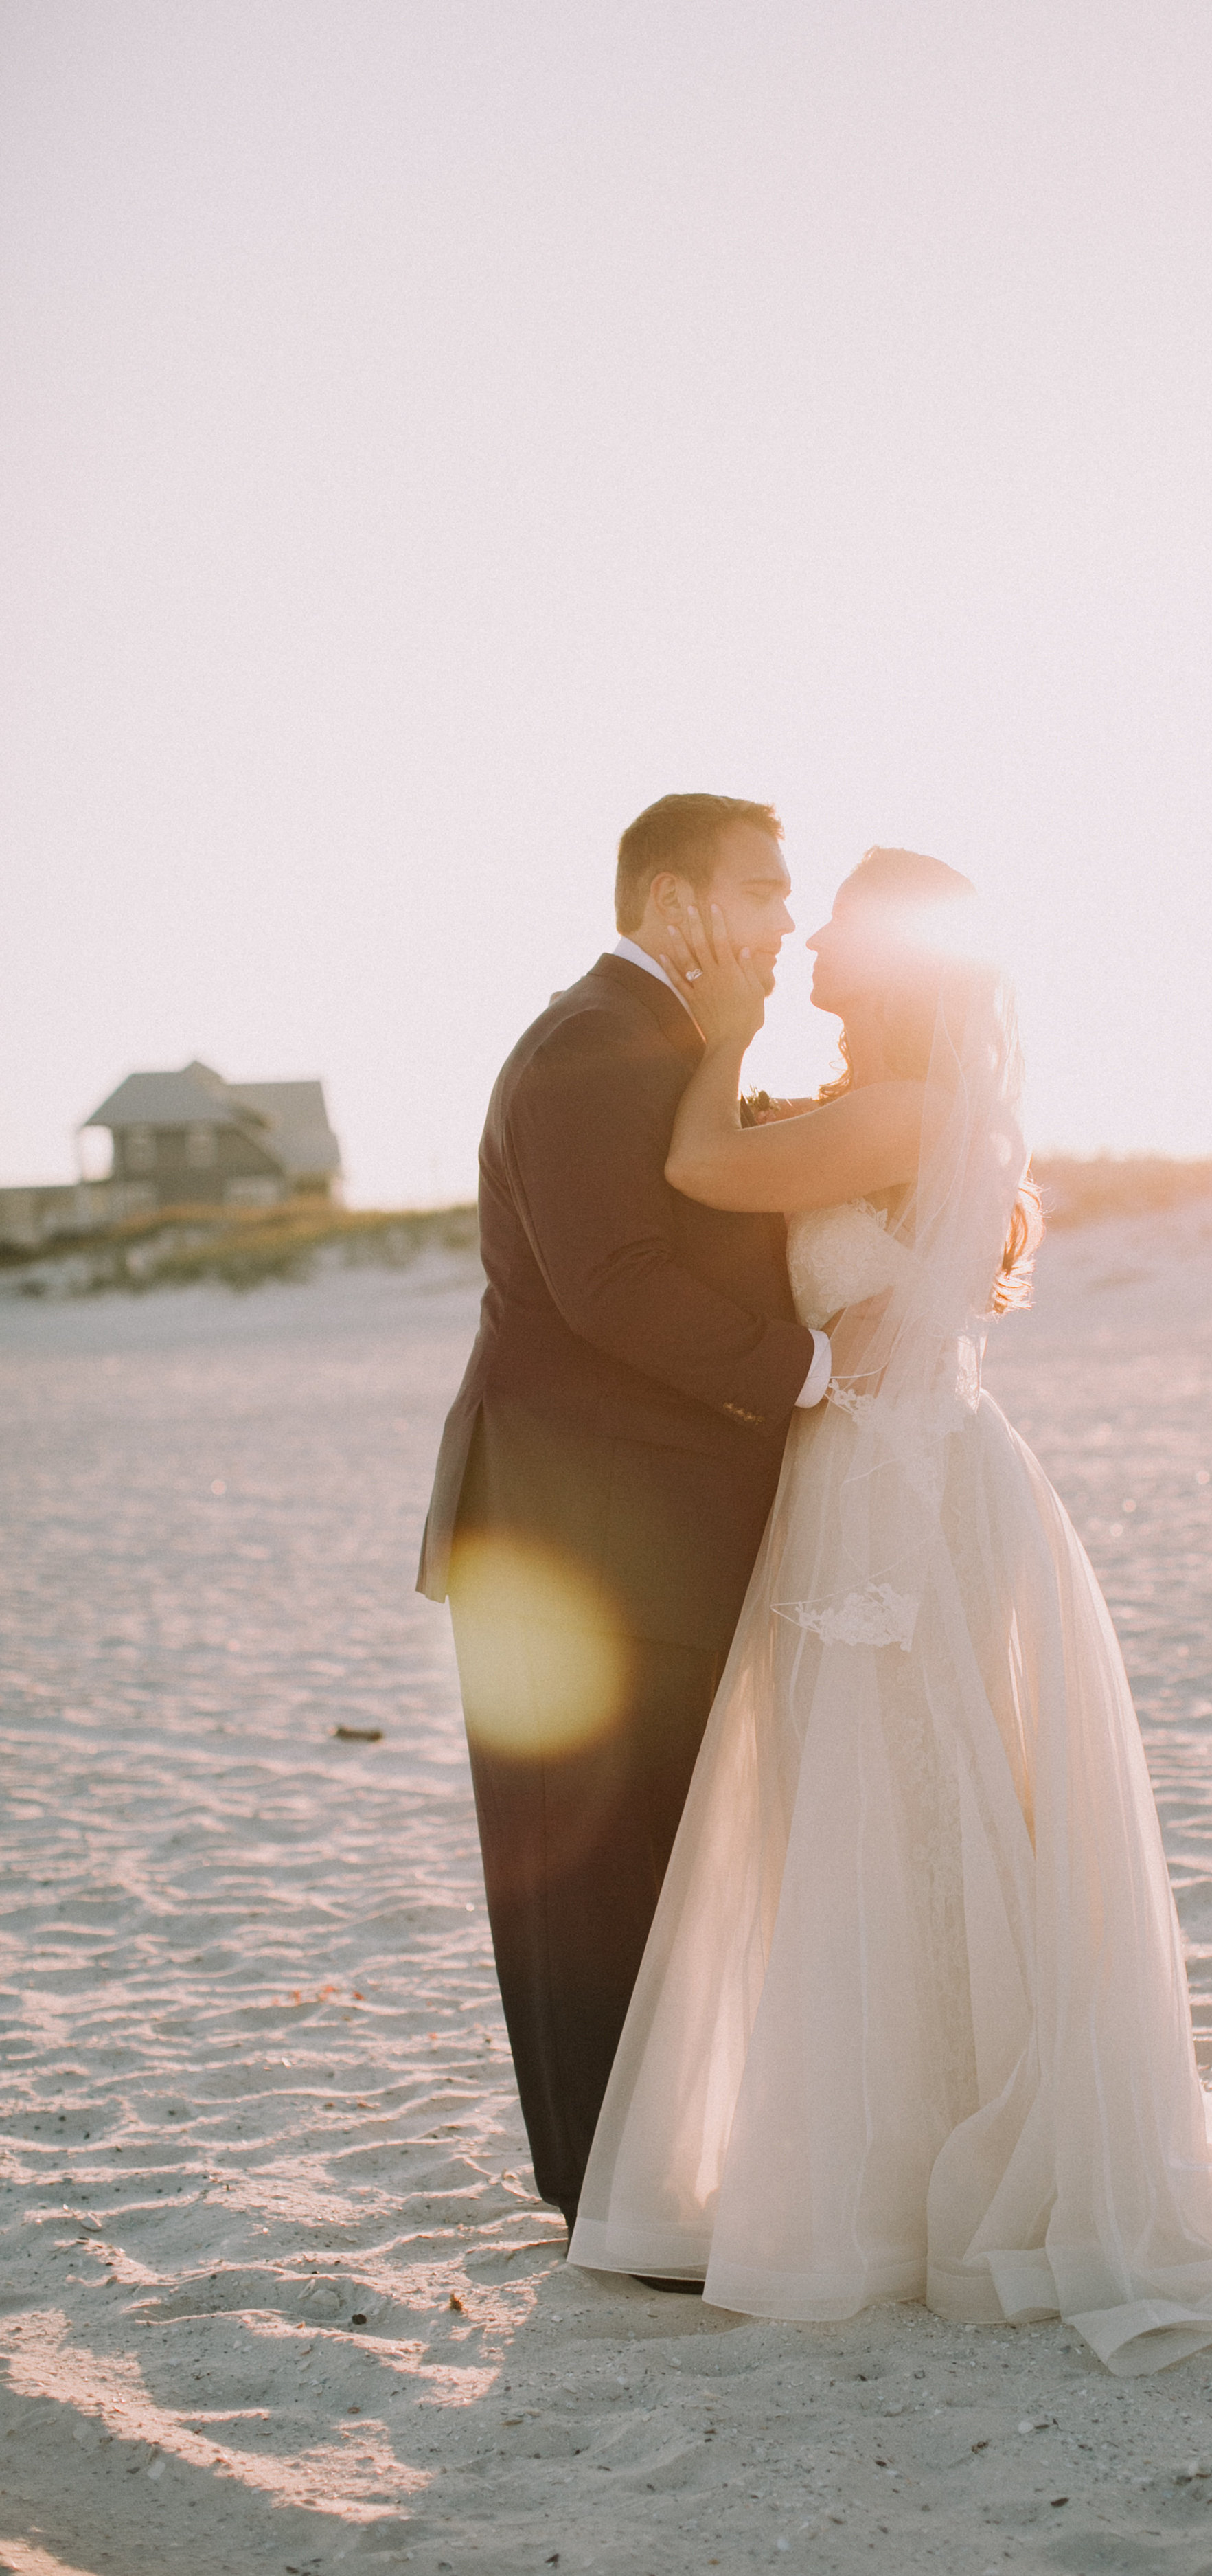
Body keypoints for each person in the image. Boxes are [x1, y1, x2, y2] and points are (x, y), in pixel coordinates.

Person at [568, 846, 1212, 2373]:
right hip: (896, 1472)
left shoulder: (905, 1114)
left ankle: (905, 2173)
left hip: (895, 1485)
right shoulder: (897, 1110)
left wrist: (721, 1020)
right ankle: (902, 2143)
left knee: (909, 1807)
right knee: (902, 1813)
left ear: (902, 970)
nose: (810, 954)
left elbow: (699, 1172)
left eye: (842, 936)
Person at [417, 793, 831, 2241]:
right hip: (568, 1536)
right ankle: (609, 2198)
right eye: (765, 890)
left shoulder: (660, 1046)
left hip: (622, 1523)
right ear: (674, 906)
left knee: (649, 1856)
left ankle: (642, 2182)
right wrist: (816, 1370)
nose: (789, 920)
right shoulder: (590, 1048)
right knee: (584, 1867)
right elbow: (616, 1284)